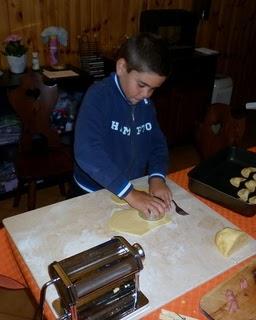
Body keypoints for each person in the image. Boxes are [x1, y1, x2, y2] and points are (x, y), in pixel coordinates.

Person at [73, 32, 172, 218]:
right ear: (121, 67)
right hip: (92, 191)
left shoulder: (145, 104)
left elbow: (157, 144)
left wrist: (157, 177)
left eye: (153, 89)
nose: (146, 95)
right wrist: (131, 194)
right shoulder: (98, 96)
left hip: (128, 188)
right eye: (142, 84)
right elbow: (87, 151)